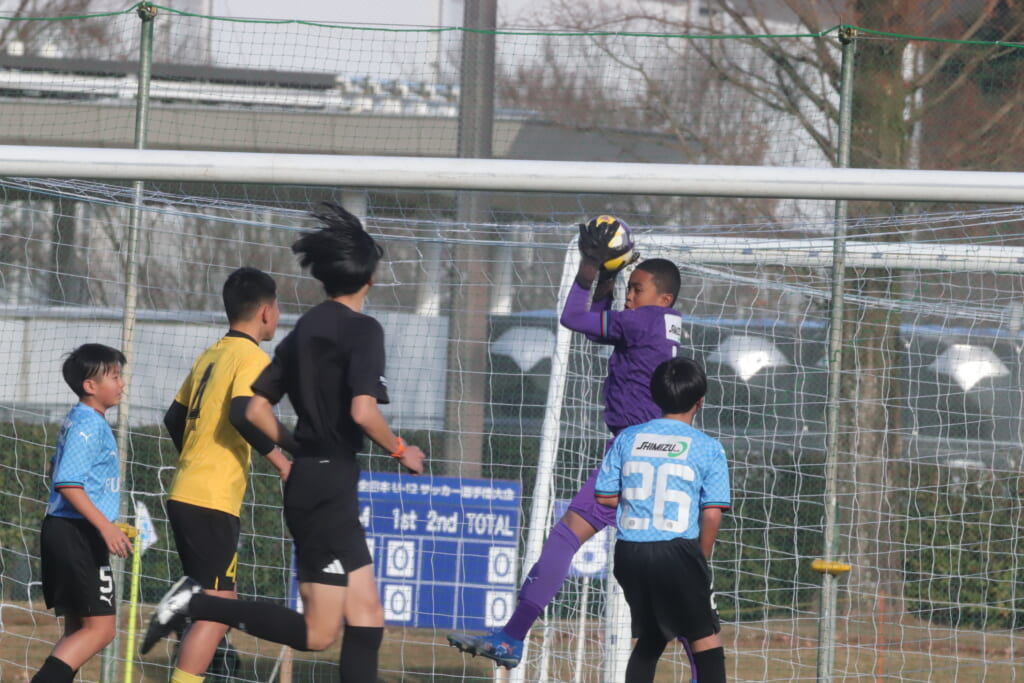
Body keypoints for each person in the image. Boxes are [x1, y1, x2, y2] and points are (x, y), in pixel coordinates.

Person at [141, 203, 426, 683]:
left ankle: (199, 602)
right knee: (318, 634)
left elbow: (254, 410)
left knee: (368, 617)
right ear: (370, 280)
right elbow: (363, 412)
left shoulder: (303, 330)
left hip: (317, 483)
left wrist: (299, 452)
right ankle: (198, 603)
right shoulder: (364, 330)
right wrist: (401, 449)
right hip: (329, 489)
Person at [448, 216, 683, 668]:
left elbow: (573, 318)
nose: (630, 297)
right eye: (629, 289)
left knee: (566, 537)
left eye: (637, 289)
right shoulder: (660, 324)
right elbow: (599, 327)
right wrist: (611, 279)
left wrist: (590, 267)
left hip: (633, 453)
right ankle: (704, 666)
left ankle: (512, 638)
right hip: (655, 452)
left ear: (663, 298)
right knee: (669, 568)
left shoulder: (642, 321)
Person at [158, 267, 288, 683]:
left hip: (190, 491)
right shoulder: (252, 357)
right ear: (266, 312)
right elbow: (243, 414)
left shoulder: (211, 354)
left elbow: (174, 417)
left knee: (221, 603)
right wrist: (283, 461)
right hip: (210, 500)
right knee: (217, 612)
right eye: (278, 307)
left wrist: (197, 459)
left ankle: (186, 617)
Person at [595, 357, 730, 683]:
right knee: (706, 637)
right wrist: (700, 558)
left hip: (631, 553)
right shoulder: (708, 448)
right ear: (700, 400)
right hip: (677, 551)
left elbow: (604, 496)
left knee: (652, 636)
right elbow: (712, 513)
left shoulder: (628, 438)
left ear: (655, 396)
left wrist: (644, 503)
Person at [32, 344, 130, 683]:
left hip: (69, 530)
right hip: (77, 534)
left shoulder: (79, 418)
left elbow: (57, 469)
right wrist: (105, 526)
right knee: (101, 630)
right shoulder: (89, 424)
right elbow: (67, 483)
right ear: (90, 386)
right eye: (114, 377)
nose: (121, 383)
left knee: (78, 631)